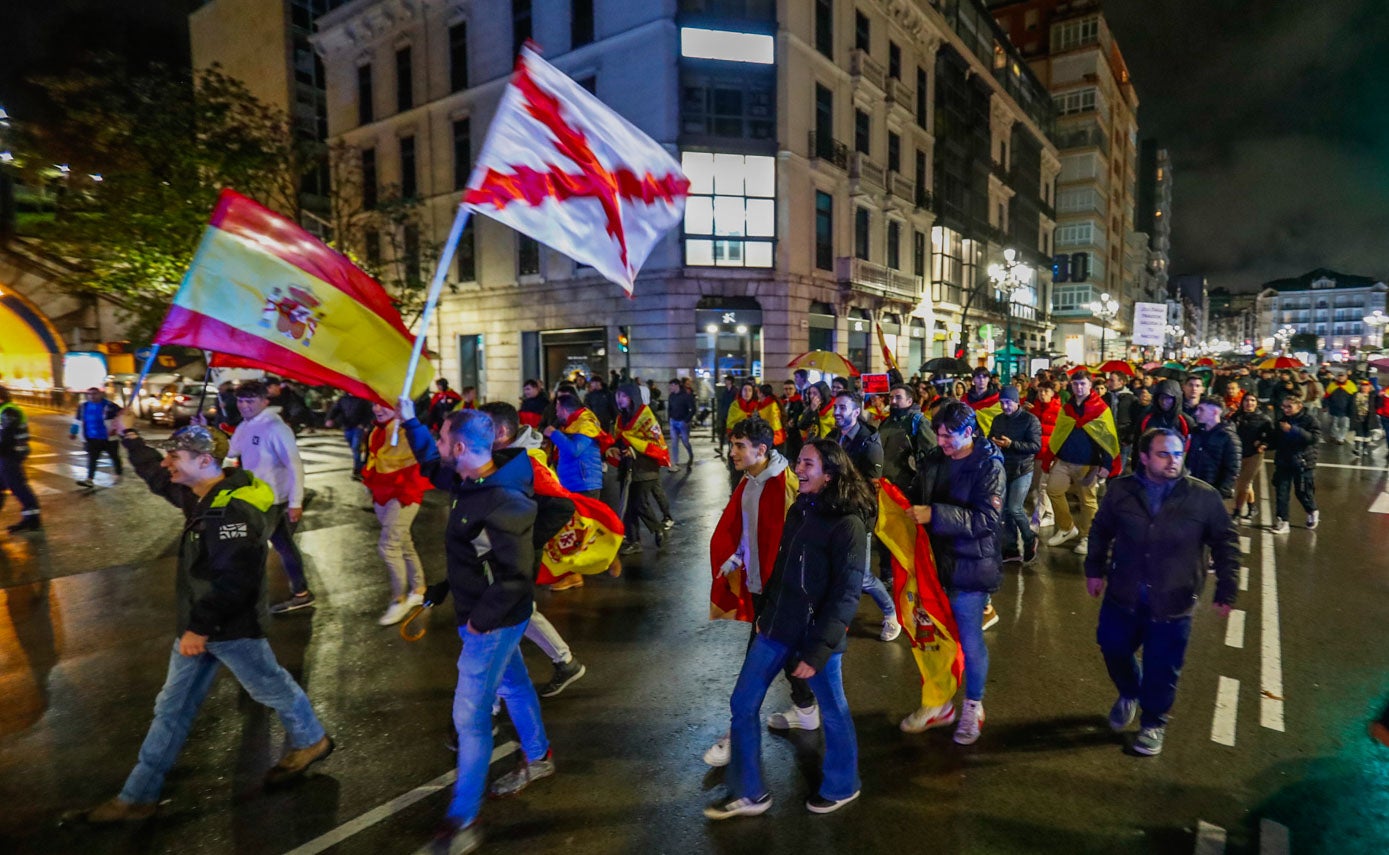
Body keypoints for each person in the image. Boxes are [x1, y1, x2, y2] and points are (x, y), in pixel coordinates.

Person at [86, 417, 332, 822]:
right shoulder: (202, 493)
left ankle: (313, 740)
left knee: (271, 689)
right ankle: (137, 796)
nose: (167, 463)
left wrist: (198, 627)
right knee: (173, 708)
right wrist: (130, 437)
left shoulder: (230, 510)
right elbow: (155, 476)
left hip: (228, 629)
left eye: (175, 457)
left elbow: (235, 579)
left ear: (204, 461)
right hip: (200, 626)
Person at [398, 405, 553, 855]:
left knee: (470, 719)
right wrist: (408, 420)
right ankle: (539, 756)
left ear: (461, 448)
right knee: (516, 685)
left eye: (444, 439)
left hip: (492, 623)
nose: (440, 446)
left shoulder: (504, 499)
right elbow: (432, 466)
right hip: (491, 616)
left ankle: (461, 821)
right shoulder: (473, 479)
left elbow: (515, 576)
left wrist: (479, 622)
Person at [704, 440, 868, 820]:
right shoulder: (801, 508)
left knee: (833, 709)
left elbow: (845, 595)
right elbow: (783, 568)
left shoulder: (849, 524)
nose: (799, 469)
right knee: (742, 703)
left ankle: (843, 785)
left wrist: (817, 652)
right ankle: (749, 793)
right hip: (776, 627)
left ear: (830, 473)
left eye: (808, 464)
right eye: (798, 461)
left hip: (815, 637)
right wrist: (766, 612)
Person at [1084, 427, 1239, 756]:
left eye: (1178, 454)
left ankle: (1153, 722)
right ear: (1144, 457)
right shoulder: (1121, 490)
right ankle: (1129, 692)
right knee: (1112, 646)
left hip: (1173, 599)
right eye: (1164, 454)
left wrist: (1227, 587)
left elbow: (1225, 542)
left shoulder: (1202, 496)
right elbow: (1101, 530)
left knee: (1163, 666)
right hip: (1124, 593)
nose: (1173, 461)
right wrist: (1094, 570)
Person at [903, 402, 1005, 743]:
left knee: (970, 641)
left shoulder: (989, 466)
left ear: (970, 432)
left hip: (970, 567)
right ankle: (938, 704)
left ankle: (972, 707)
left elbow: (986, 521)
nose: (943, 442)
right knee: (933, 640)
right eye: (939, 435)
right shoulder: (935, 458)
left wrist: (935, 515)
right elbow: (915, 494)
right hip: (933, 566)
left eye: (950, 436)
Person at [704, 416, 800, 768]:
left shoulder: (784, 485)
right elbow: (748, 532)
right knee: (792, 660)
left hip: (780, 593)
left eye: (739, 446)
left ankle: (735, 740)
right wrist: (736, 558)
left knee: (754, 670)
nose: (732, 452)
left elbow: (793, 545)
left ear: (762, 449)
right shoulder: (749, 482)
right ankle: (807, 708)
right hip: (760, 587)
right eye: (732, 445)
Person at [480, 401, 587, 695]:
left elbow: (561, 505)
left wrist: (527, 540)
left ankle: (492, 700)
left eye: (483, 426)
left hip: (517, 551)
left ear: (501, 431)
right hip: (503, 549)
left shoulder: (527, 462)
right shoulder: (504, 456)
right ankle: (565, 663)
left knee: (502, 621)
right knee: (520, 611)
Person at [228, 381, 313, 613]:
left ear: (265, 401)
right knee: (284, 546)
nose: (243, 406)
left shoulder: (276, 428)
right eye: (240, 401)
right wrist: (205, 432)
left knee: (247, 546)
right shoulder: (245, 426)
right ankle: (301, 593)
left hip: (273, 501)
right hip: (254, 498)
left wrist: (296, 502)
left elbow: (295, 465)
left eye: (250, 401)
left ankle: (247, 600)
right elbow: (231, 451)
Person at [828, 391, 898, 641]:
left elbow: (871, 492)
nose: (837, 412)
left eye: (842, 408)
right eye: (836, 407)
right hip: (836, 513)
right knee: (835, 570)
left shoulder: (870, 445)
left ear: (856, 412)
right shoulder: (836, 437)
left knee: (863, 576)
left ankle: (891, 614)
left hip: (859, 517)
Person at [360, 402, 431, 625]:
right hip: (382, 492)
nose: (377, 409)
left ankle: (398, 599)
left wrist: (406, 425)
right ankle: (419, 588)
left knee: (388, 546)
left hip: (405, 493)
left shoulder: (406, 430)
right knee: (403, 542)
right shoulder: (376, 430)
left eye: (385, 406)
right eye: (375, 404)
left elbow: (422, 452)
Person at [1042, 370, 1121, 556]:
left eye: (1083, 384)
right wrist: (1051, 458)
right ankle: (1067, 527)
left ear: (1090, 385)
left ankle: (1087, 536)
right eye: (1076, 384)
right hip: (1064, 460)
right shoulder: (1067, 407)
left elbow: (1108, 438)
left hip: (1089, 463)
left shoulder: (1100, 409)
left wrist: (1106, 465)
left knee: (1088, 501)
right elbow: (1059, 434)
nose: (1079, 388)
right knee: (1053, 490)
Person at [614, 383, 672, 552]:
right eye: (618, 396)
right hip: (627, 467)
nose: (620, 399)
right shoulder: (621, 418)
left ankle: (657, 528)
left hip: (646, 468)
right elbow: (619, 439)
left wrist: (635, 449)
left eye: (623, 396)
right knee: (628, 506)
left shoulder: (646, 417)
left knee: (639, 503)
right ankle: (633, 541)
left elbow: (655, 443)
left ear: (632, 397)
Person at [988, 386, 1042, 564]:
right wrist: (992, 443)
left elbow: (1035, 446)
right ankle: (1010, 548)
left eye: (1008, 402)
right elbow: (990, 438)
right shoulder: (998, 420)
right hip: (1003, 469)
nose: (1004, 406)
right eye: (1002, 403)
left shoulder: (1030, 420)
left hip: (1022, 468)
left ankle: (1029, 538)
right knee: (1003, 510)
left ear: (1016, 401)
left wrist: (1011, 444)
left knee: (1015, 508)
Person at [1271, 394, 1321, 533]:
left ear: (1299, 406)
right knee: (1282, 491)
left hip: (1303, 462)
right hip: (1284, 461)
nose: (1286, 409)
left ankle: (1312, 510)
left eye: (1289, 406)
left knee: (1302, 491)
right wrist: (1264, 443)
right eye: (1284, 406)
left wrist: (1293, 430)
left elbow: (1313, 439)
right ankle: (1283, 521)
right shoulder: (1282, 420)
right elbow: (1276, 439)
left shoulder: (1310, 420)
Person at [545, 392, 610, 498]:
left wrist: (554, 434)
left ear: (564, 410)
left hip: (584, 485)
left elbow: (574, 450)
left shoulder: (586, 425)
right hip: (574, 484)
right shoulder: (571, 426)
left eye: (557, 410)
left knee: (586, 515)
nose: (556, 414)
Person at [0, 385, 41, 533]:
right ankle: (31, 517)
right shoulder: (3, 410)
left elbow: (6, 437)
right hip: (5, 454)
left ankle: (32, 518)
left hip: (11, 453)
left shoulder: (9, 411)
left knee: (17, 485)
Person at [1186, 396, 1241, 500]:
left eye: (1201, 410)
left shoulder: (1228, 437)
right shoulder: (1197, 432)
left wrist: (1220, 493)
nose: (1197, 413)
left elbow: (1232, 469)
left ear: (1215, 412)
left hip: (1210, 492)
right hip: (1192, 488)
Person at [1231, 393, 1274, 522]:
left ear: (1256, 403)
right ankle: (1252, 507)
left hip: (1254, 455)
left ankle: (1237, 511)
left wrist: (1263, 444)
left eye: (1252, 400)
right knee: (1246, 484)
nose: (1249, 403)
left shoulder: (1264, 419)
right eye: (1246, 400)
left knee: (1242, 484)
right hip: (1238, 454)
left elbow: (1272, 437)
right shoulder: (1236, 417)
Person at [72, 386, 123, 488]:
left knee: (114, 457)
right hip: (92, 438)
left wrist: (119, 428)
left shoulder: (110, 406)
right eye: (90, 394)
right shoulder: (83, 407)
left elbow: (122, 416)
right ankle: (90, 479)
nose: (92, 396)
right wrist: (73, 432)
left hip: (109, 438)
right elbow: (77, 421)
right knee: (92, 459)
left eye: (95, 394)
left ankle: (118, 474)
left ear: (100, 394)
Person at [1027, 380, 1060, 531]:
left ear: (1052, 393)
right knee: (1036, 486)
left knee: (1043, 487)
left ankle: (1039, 517)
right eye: (1040, 391)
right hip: (1035, 454)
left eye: (1046, 391)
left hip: (1050, 454)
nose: (1042, 394)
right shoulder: (1034, 410)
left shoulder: (1059, 410)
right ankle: (1048, 513)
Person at [324, 390, 374, 477]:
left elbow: (369, 413)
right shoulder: (343, 399)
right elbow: (335, 410)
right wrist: (330, 419)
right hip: (347, 427)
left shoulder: (362, 400)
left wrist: (363, 424)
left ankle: (357, 469)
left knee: (355, 447)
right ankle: (360, 465)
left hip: (358, 427)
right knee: (353, 447)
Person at [667, 378, 696, 470]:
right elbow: (669, 408)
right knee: (674, 442)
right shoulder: (671, 396)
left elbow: (692, 409)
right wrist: (670, 418)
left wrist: (686, 420)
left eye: (671, 386)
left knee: (685, 442)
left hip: (682, 422)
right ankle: (675, 463)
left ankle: (691, 455)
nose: (670, 388)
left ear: (676, 385)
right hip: (673, 421)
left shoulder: (686, 396)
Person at [964, 367, 1002, 434]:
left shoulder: (997, 398)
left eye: (984, 377)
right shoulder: (965, 399)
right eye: (978, 377)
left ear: (988, 379)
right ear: (973, 380)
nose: (982, 380)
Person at [1324, 372, 1356, 445]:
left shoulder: (1351, 386)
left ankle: (1340, 438)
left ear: (1346, 377)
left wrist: (1353, 409)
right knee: (1333, 424)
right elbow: (1326, 396)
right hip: (1333, 409)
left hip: (1346, 410)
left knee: (1344, 425)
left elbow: (1354, 399)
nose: (1341, 378)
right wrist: (1325, 405)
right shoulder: (1332, 385)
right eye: (1339, 376)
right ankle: (1333, 436)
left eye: (1342, 376)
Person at [1349, 379, 1377, 458]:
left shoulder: (1372, 396)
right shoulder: (1355, 395)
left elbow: (1378, 404)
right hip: (1357, 416)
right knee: (1359, 433)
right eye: (1363, 386)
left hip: (1369, 417)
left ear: (1369, 387)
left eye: (1366, 386)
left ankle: (1365, 448)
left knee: (1367, 433)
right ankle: (1357, 449)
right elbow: (1351, 405)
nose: (1364, 388)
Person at [714, 375, 736, 455]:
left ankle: (731, 450)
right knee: (722, 432)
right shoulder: (725, 391)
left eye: (726, 380)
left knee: (731, 433)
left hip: (731, 416)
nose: (725, 382)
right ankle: (721, 448)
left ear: (730, 381)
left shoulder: (734, 391)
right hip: (724, 415)